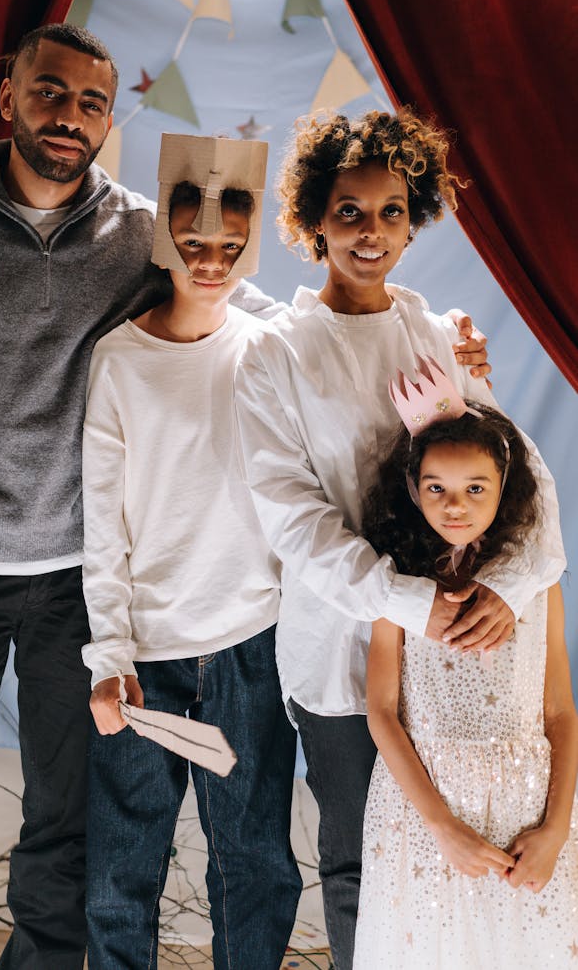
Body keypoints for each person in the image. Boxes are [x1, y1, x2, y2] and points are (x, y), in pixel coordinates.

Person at [0, 25, 276, 969]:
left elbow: (238, 300)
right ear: (8, 95)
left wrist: (420, 329)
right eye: (51, 92)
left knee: (64, 826)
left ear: (111, 119)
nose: (69, 116)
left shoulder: (139, 233)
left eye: (91, 103)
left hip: (81, 576)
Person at [233, 108, 566, 970]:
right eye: (348, 211)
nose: (370, 231)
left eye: (389, 211)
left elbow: (523, 481)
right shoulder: (276, 355)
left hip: (460, 654)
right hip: (344, 659)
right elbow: (297, 522)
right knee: (360, 862)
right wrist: (413, 603)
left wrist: (512, 587)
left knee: (469, 857)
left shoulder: (432, 333)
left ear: (412, 216)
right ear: (313, 221)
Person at [82, 133, 302, 969]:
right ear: (165, 240)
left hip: (252, 645)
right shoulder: (119, 361)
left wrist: (453, 343)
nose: (210, 261)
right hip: (146, 659)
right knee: (121, 875)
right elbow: (105, 525)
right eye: (194, 244)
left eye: (228, 247)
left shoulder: (274, 344)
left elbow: (368, 333)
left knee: (255, 864)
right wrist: (109, 654)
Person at [353, 378, 578, 969]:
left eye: (475, 487)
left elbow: (559, 712)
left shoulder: (535, 581)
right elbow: (382, 712)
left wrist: (555, 830)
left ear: (504, 489)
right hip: (423, 812)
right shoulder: (399, 584)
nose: (455, 504)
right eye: (437, 487)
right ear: (413, 488)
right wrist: (442, 827)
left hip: (526, 805)